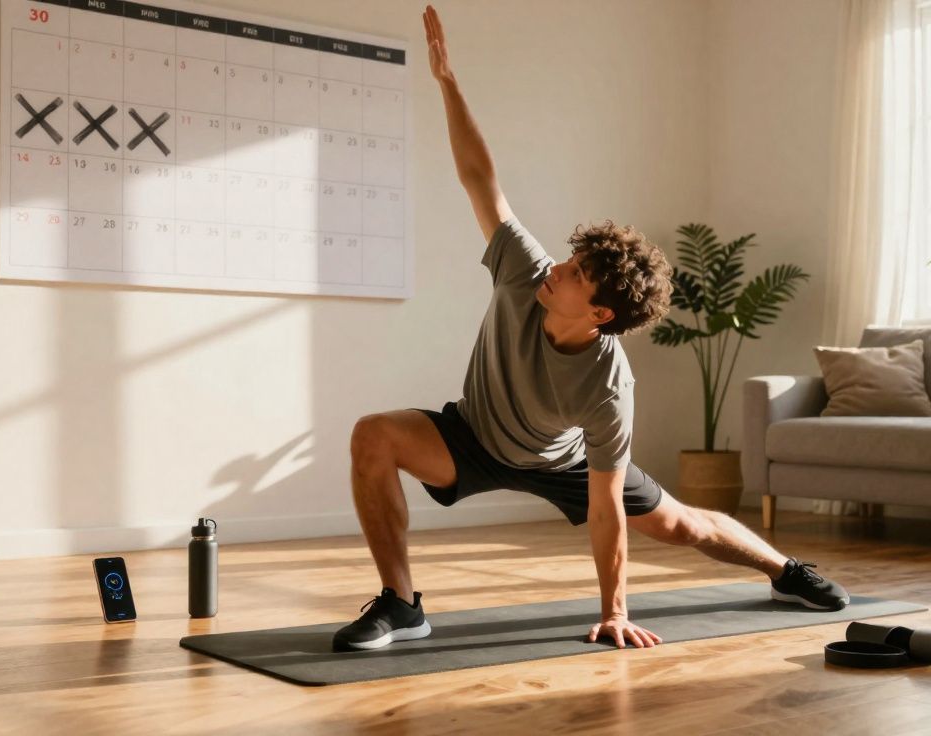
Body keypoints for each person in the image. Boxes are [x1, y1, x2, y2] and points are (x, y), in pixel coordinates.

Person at [332, 5, 849, 653]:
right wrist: (447, 82)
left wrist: (615, 610)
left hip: (564, 462)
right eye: (570, 258)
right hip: (472, 436)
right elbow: (480, 181)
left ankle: (785, 571)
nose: (557, 266)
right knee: (374, 436)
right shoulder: (524, 273)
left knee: (683, 525)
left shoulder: (607, 384)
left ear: (601, 313)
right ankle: (402, 604)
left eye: (575, 272)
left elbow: (605, 508)